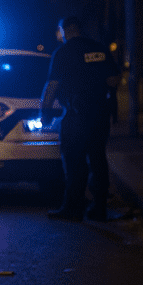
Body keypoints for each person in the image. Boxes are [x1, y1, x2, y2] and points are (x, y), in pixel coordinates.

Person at [40, 16, 120, 221]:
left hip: (75, 116)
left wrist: (45, 112)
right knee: (98, 160)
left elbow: (52, 86)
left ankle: (72, 208)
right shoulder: (99, 49)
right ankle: (99, 207)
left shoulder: (63, 53)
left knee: (74, 162)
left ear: (65, 30)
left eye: (59, 31)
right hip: (100, 115)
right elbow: (113, 79)